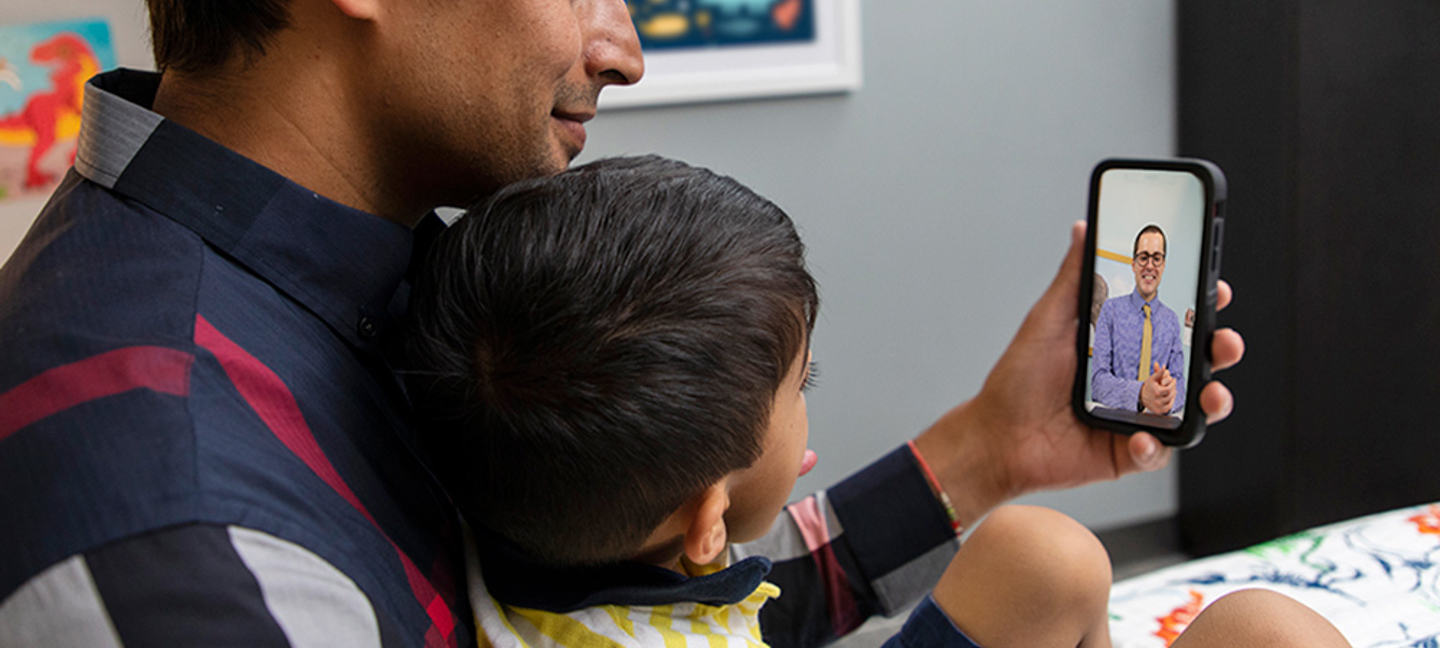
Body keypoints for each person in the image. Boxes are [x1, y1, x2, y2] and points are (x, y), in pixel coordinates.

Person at [0, 0, 1273, 646]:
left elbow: (636, 610)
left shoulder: (379, 290)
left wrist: (994, 449)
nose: (625, 46)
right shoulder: (183, 532)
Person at [403, 156, 1350, 648]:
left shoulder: (513, 511)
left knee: (1043, 554)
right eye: (797, 391)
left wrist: (997, 444)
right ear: (706, 525)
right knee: (1269, 632)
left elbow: (781, 592)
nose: (807, 412)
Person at [1091, 225, 1186, 416]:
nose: (1150, 266)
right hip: (1115, 421)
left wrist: (1169, 394)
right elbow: (1098, 382)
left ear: (1163, 265)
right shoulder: (1110, 310)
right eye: (1143, 257)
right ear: (1133, 264)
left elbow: (1180, 386)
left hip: (1157, 424)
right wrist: (1142, 394)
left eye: (1156, 258)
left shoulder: (1172, 321)